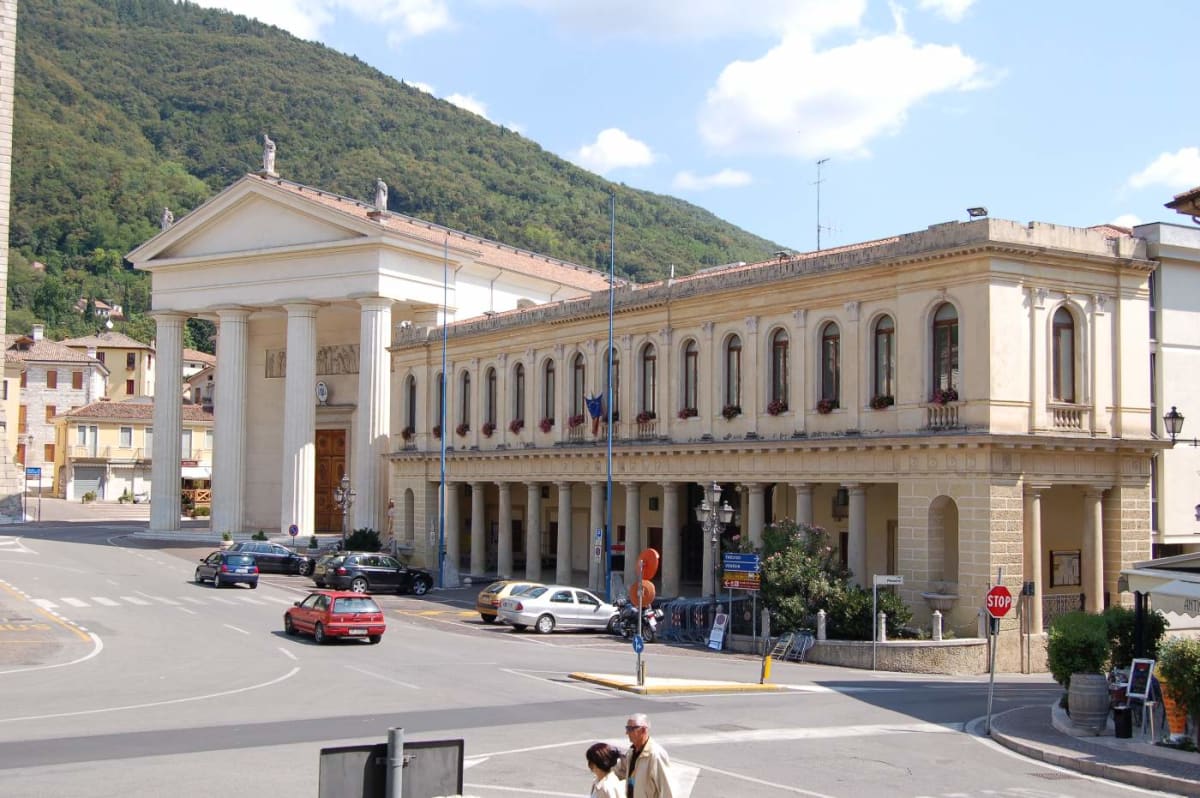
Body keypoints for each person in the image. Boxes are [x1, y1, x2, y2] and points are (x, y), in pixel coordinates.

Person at [615, 714, 674, 798]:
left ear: (643, 730)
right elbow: (619, 771)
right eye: (627, 728)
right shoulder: (631, 752)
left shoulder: (655, 755)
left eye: (630, 729)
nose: (627, 732)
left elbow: (667, 789)